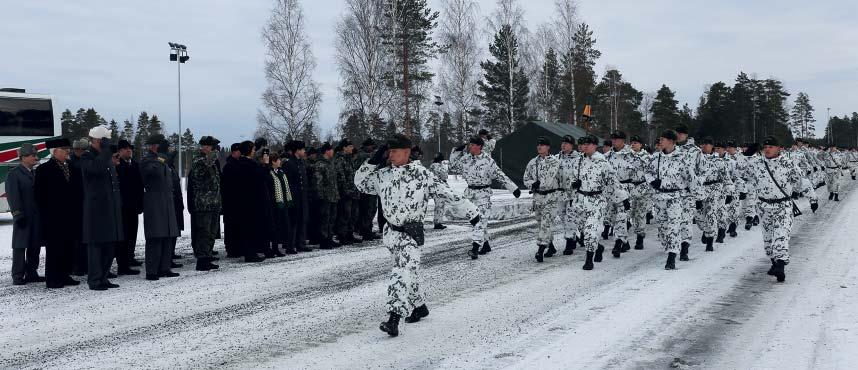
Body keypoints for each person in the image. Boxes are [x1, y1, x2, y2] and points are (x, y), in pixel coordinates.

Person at [354, 134, 479, 337]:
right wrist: (372, 161)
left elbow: (447, 192)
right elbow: (360, 183)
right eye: (389, 151)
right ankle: (419, 306)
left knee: (401, 273)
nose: (390, 155)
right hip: (391, 233)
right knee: (408, 273)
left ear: (406, 152)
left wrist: (472, 213)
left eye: (394, 151)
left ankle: (394, 317)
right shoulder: (382, 175)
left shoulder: (422, 175)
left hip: (411, 235)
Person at [737, 136, 818, 282]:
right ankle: (775, 263)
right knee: (768, 241)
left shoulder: (788, 164)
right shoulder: (757, 163)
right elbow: (740, 173)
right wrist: (746, 155)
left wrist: (813, 199)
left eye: (771, 147)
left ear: (778, 148)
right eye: (765, 147)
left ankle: (780, 266)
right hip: (764, 207)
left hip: (783, 206)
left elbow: (801, 182)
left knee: (780, 236)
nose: (767, 149)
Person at [449, 136, 520, 259]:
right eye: (470, 144)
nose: (470, 146)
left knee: (481, 221)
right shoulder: (465, 159)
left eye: (473, 144)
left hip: (483, 194)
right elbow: (452, 167)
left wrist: (513, 189)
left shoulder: (488, 161)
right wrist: (456, 152)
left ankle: (475, 247)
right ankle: (485, 244)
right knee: (477, 222)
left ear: (479, 146)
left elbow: (499, 175)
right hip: (470, 194)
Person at [565, 135, 629, 270]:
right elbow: (570, 178)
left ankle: (589, 259)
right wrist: (574, 184)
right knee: (584, 231)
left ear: (595, 146)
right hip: (581, 201)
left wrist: (623, 198)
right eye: (584, 144)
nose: (585, 146)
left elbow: (613, 183)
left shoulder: (603, 163)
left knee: (591, 231)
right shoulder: (578, 162)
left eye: (589, 144)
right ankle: (598, 247)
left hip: (597, 201)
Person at [645, 130, 703, 269]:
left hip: (676, 197)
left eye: (663, 139)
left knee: (673, 227)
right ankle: (669, 247)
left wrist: (699, 197)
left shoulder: (682, 158)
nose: (660, 142)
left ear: (671, 141)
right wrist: (653, 181)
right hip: (659, 197)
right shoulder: (656, 157)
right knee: (663, 227)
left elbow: (691, 178)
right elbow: (647, 172)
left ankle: (672, 257)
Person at [34, 138, 82, 288]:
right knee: (55, 248)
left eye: (68, 148)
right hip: (53, 218)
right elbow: (39, 196)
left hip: (70, 216)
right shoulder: (44, 170)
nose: (68, 151)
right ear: (55, 151)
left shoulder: (72, 168)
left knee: (68, 247)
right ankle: (53, 278)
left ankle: (65, 274)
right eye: (64, 148)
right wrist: (46, 215)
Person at [80, 126, 123, 290]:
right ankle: (95, 279)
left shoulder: (104, 157)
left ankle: (103, 277)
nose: (107, 145)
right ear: (98, 141)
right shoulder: (86, 156)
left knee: (108, 245)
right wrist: (106, 152)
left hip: (109, 208)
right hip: (96, 210)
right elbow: (95, 169)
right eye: (105, 141)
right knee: (96, 246)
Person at [139, 134, 181, 280]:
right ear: (154, 146)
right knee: (155, 237)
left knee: (169, 236)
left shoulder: (163, 161)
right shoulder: (146, 160)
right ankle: (152, 270)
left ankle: (164, 267)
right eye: (162, 146)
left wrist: (165, 159)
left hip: (167, 201)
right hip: (154, 202)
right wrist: (162, 158)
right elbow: (152, 172)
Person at [222, 141, 270, 262]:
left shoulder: (240, 164)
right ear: (249, 150)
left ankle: (249, 251)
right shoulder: (248, 164)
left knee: (247, 228)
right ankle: (250, 253)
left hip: (243, 201)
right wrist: (265, 164)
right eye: (253, 149)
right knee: (250, 228)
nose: (254, 151)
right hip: (250, 202)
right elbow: (263, 177)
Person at [7, 143, 43, 285]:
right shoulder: (14, 174)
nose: (36, 157)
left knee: (35, 245)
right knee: (20, 246)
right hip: (23, 217)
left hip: (36, 217)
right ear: (23, 157)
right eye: (33, 155)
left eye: (35, 155)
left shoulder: (34, 172)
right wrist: (17, 215)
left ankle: (32, 273)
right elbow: (13, 197)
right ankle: (18, 275)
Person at [523, 136, 562, 262]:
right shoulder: (532, 162)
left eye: (543, 145)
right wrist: (531, 184)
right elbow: (526, 178)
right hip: (538, 197)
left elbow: (548, 179)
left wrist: (537, 183)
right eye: (538, 145)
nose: (540, 147)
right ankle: (551, 247)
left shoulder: (554, 161)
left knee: (546, 223)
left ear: (548, 147)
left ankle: (540, 249)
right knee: (541, 224)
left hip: (550, 196)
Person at [189, 136, 222, 271]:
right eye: (211, 147)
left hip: (213, 202)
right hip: (204, 203)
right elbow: (200, 174)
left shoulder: (210, 160)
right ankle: (202, 259)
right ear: (205, 146)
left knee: (212, 232)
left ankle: (207, 256)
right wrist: (212, 156)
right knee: (204, 231)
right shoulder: (199, 160)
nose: (213, 150)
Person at [115, 139, 143, 275]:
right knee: (123, 237)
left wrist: (140, 203)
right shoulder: (117, 165)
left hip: (133, 206)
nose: (129, 150)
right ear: (119, 151)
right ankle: (122, 264)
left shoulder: (135, 165)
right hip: (122, 207)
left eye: (130, 148)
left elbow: (139, 185)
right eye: (126, 149)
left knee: (132, 234)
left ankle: (129, 258)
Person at [604, 131, 633, 257]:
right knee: (613, 218)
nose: (614, 141)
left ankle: (618, 242)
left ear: (623, 140)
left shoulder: (632, 155)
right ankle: (625, 242)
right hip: (610, 190)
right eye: (612, 139)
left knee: (621, 217)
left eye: (616, 139)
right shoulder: (606, 156)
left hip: (626, 189)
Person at [284, 140, 312, 252]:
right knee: (293, 221)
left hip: (302, 196)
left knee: (302, 220)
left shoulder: (301, 162)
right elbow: (288, 183)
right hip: (294, 197)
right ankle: (290, 245)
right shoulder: (288, 163)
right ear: (297, 150)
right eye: (302, 149)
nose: (304, 151)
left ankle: (301, 243)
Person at [626, 135, 653, 250]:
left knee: (640, 214)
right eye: (632, 142)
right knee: (626, 214)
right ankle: (623, 239)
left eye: (636, 142)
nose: (633, 144)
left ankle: (639, 239)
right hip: (630, 188)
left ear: (641, 145)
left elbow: (652, 173)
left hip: (643, 188)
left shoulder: (647, 157)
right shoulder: (627, 156)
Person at [69, 138, 89, 276]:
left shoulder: (75, 162)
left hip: (82, 203)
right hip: (78, 205)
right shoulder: (74, 164)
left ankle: (82, 264)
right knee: (78, 238)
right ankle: (77, 265)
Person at [314, 143, 340, 249]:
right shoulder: (320, 164)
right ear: (326, 151)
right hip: (325, 197)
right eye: (331, 150)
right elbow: (318, 182)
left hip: (333, 196)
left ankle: (329, 238)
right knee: (325, 219)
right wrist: (320, 196)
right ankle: (323, 240)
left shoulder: (330, 163)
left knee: (332, 219)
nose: (333, 152)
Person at [334, 139, 361, 245]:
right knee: (344, 215)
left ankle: (349, 234)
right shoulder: (340, 160)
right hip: (345, 193)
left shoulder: (349, 159)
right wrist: (345, 191)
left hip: (353, 191)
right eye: (350, 146)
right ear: (344, 147)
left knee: (353, 215)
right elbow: (340, 177)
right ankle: (342, 235)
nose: (352, 148)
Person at [557, 135, 580, 255]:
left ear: (572, 145)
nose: (564, 145)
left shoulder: (579, 159)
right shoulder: (556, 158)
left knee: (570, 217)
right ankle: (573, 235)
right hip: (560, 193)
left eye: (566, 143)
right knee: (562, 216)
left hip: (572, 193)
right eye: (562, 143)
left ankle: (569, 242)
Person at [355, 139, 381, 240]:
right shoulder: (363, 155)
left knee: (371, 209)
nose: (372, 148)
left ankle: (367, 229)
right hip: (365, 187)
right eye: (371, 146)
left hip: (369, 186)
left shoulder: (365, 155)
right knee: (367, 210)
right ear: (366, 146)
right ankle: (365, 230)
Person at [429, 152, 449, 229]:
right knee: (440, 206)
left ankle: (437, 222)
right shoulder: (440, 166)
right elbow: (444, 176)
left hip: (433, 187)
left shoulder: (431, 166)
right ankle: (438, 223)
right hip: (439, 187)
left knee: (438, 205)